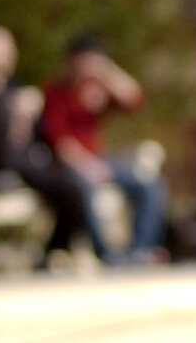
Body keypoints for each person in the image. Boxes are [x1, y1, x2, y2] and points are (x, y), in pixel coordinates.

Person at [0, 25, 93, 266]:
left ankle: (53, 253)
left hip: (23, 164)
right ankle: (4, 174)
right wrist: (9, 109)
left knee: (72, 188)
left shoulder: (17, 88)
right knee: (1, 114)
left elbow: (41, 134)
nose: (1, 54)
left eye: (6, 48)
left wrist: (29, 115)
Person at [40, 33, 168, 264]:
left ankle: (141, 250)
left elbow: (135, 99)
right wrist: (88, 167)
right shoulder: (56, 92)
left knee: (151, 184)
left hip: (101, 160)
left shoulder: (96, 90)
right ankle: (107, 255)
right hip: (70, 166)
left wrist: (108, 73)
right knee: (83, 189)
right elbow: (61, 143)